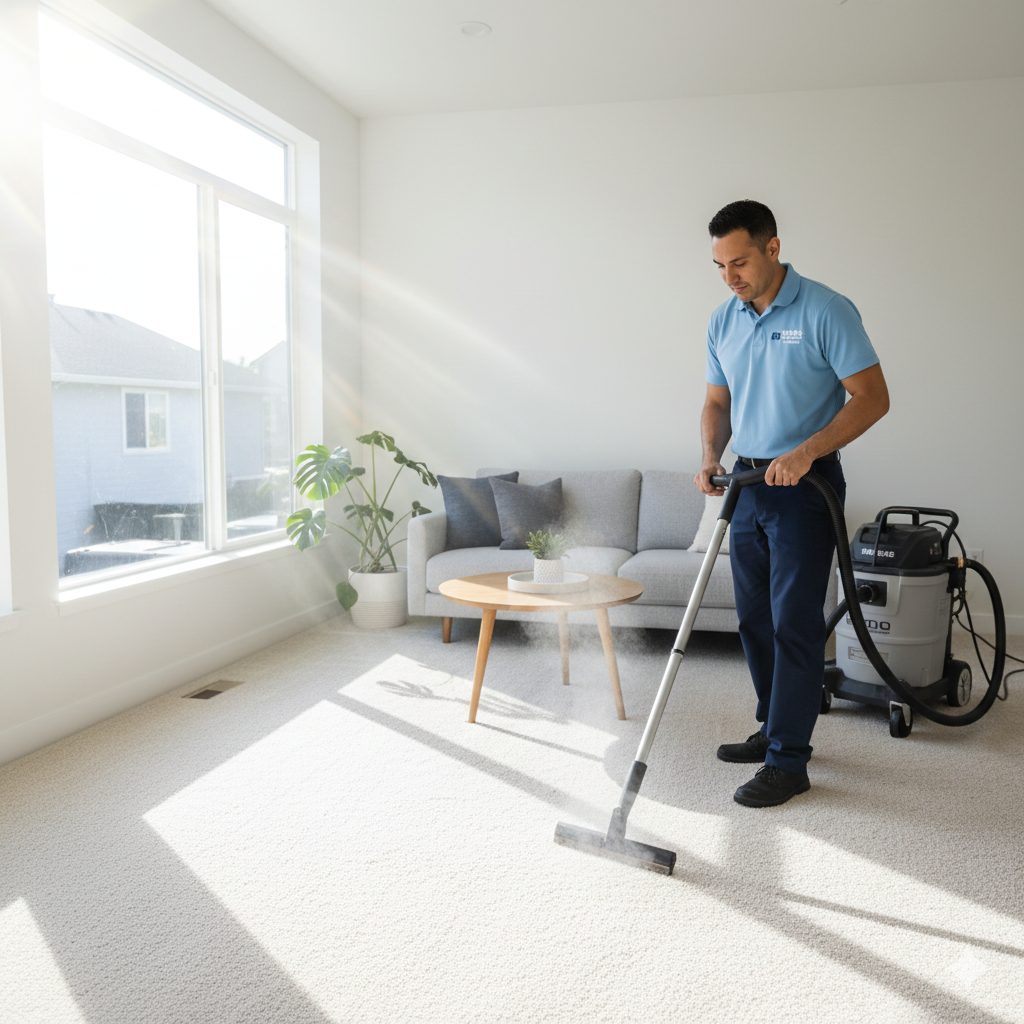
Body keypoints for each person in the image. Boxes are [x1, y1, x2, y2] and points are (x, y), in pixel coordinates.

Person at [695, 200, 890, 807]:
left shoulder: (827, 309)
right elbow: (717, 404)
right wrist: (709, 455)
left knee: (793, 623)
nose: (731, 276)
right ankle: (773, 727)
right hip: (748, 485)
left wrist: (806, 453)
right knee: (752, 620)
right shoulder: (723, 320)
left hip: (805, 486)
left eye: (741, 261)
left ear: (773, 248)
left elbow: (872, 398)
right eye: (721, 265)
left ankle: (789, 761)